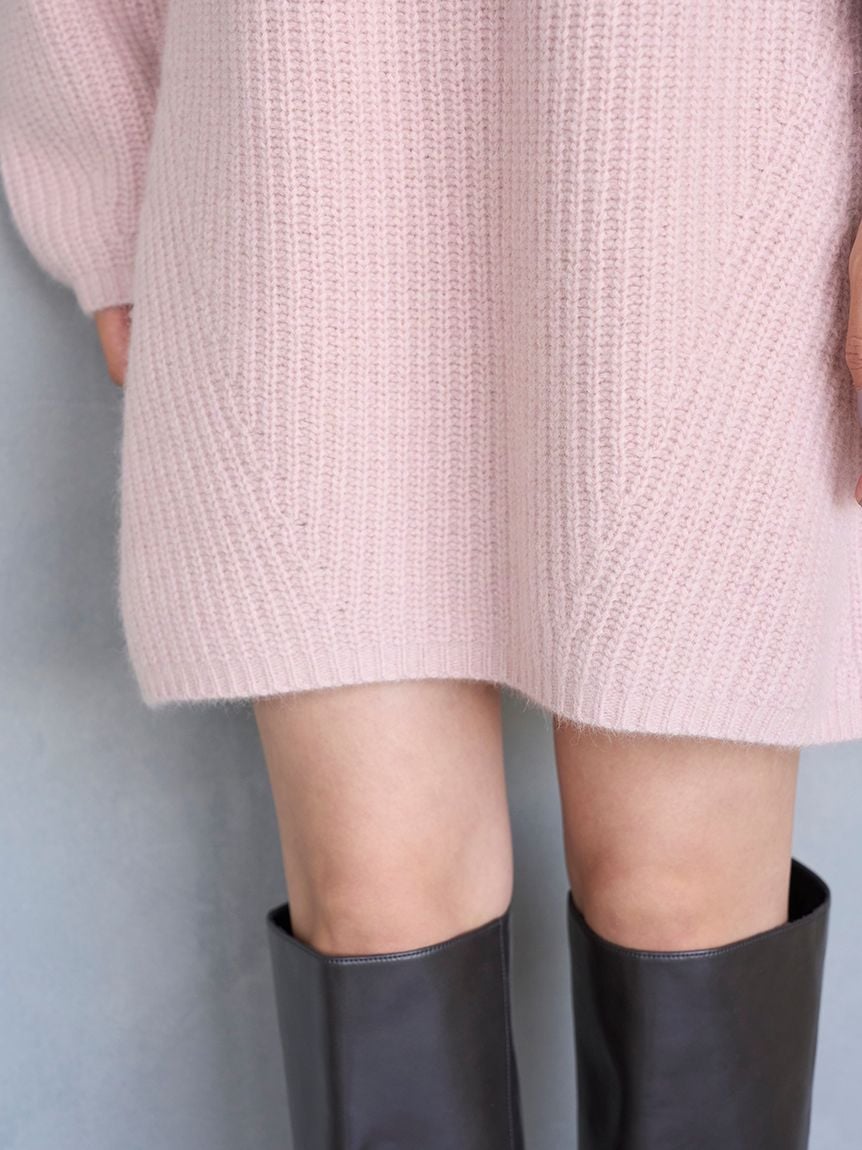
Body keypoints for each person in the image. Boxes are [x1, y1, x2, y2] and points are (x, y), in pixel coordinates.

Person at [1, 3, 860, 1147]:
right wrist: (103, 167)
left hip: (702, 156)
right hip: (296, 153)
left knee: (682, 899)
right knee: (376, 904)